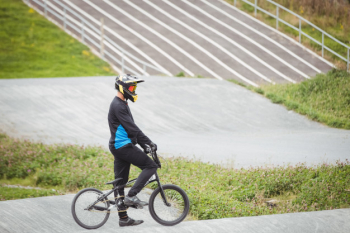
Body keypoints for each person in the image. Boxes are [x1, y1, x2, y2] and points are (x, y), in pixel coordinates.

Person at [108, 74, 158, 227]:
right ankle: (131, 196)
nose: (133, 89)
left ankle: (123, 219)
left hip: (119, 146)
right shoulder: (119, 106)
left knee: (120, 183)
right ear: (123, 87)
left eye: (134, 87)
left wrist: (144, 145)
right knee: (150, 166)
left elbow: (130, 129)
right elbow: (132, 128)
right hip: (122, 146)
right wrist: (148, 142)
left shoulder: (121, 103)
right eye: (131, 87)